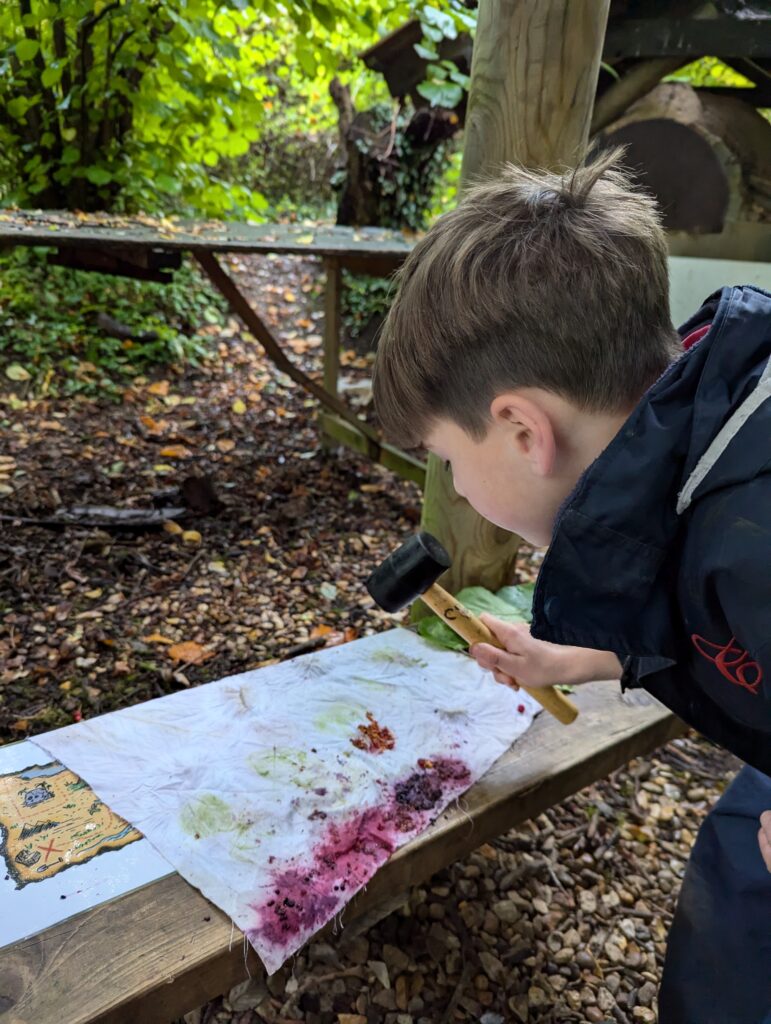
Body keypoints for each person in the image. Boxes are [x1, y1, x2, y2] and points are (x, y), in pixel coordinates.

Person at [371, 149, 771, 1023]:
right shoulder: (699, 432)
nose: (459, 493)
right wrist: (588, 658)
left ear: (520, 429)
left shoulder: (753, 529)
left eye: (447, 461)